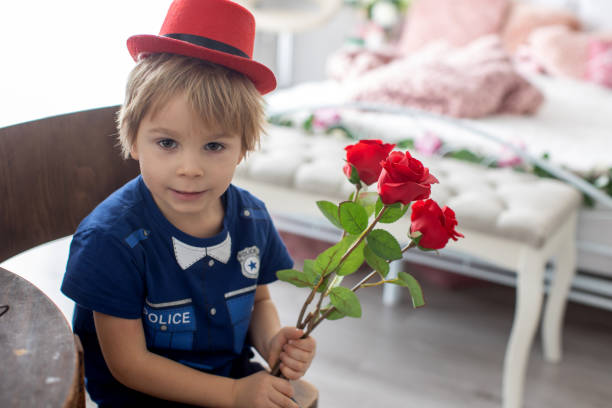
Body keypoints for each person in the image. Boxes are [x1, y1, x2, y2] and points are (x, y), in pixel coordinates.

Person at [60, 0, 316, 406]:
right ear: (133, 138)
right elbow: (128, 364)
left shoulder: (253, 218)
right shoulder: (109, 240)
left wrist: (272, 343)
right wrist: (233, 395)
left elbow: (260, 299)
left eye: (214, 145)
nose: (190, 168)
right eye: (167, 143)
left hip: (228, 375)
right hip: (141, 396)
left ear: (243, 148)